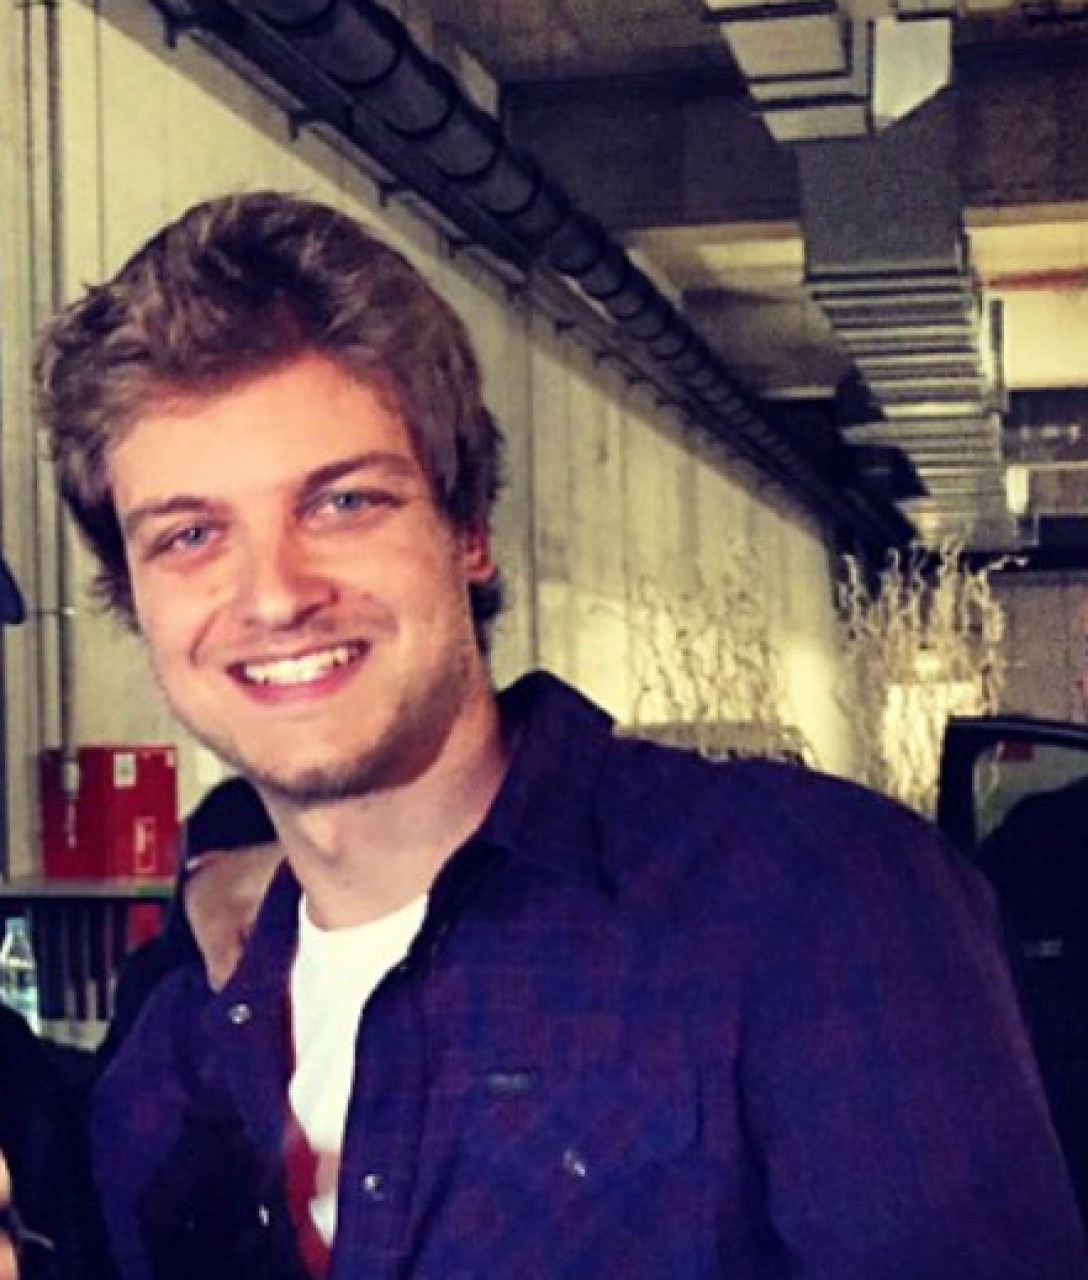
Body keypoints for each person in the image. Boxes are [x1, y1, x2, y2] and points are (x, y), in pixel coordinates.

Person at [27, 190, 1087, 1279]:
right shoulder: (170, 1075)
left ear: (468, 529)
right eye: (190, 535)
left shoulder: (812, 900)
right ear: (134, 594)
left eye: (343, 503)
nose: (275, 594)